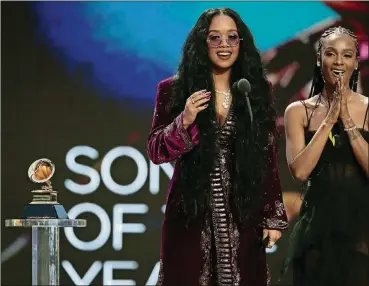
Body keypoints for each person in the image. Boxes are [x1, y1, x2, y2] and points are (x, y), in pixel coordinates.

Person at [147, 8, 288, 286]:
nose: (224, 45)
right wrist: (184, 121)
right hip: (190, 214)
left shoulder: (256, 90)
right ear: (202, 42)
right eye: (215, 37)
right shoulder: (174, 90)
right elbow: (156, 151)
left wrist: (272, 216)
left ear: (241, 43)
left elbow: (267, 155)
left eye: (232, 37)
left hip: (244, 212)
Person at [283, 26, 369, 286]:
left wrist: (349, 124)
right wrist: (330, 119)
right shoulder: (298, 112)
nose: (339, 61)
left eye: (347, 55)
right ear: (319, 60)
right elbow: (299, 171)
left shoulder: (368, 109)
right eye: (331, 54)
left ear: (356, 61)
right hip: (316, 230)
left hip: (362, 230)